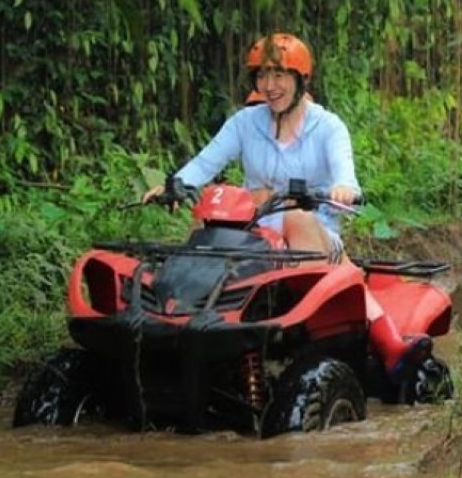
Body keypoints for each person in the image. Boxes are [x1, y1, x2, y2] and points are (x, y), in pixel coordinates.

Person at [144, 33, 431, 382]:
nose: (269, 85)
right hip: (251, 237)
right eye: (262, 76)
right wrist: (175, 186)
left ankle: (359, 338)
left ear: (301, 80)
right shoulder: (245, 122)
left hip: (314, 233)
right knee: (203, 230)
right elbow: (205, 164)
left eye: (279, 75)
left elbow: (346, 177)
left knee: (296, 217)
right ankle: (179, 327)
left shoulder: (328, 128)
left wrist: (342, 191)